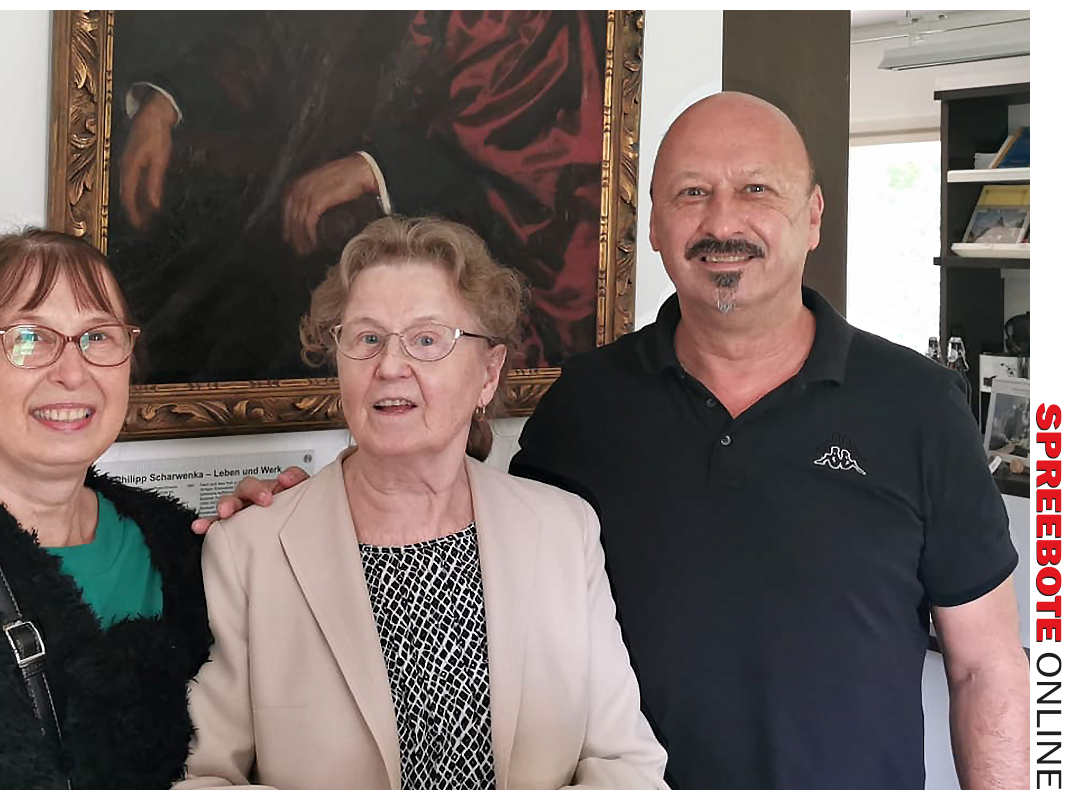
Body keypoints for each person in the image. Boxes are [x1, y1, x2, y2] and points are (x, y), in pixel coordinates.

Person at [208, 93, 1031, 789]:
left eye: (756, 190)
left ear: (812, 216)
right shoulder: (588, 404)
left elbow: (987, 668)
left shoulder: (918, 404)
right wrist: (295, 516)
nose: (722, 221)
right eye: (692, 194)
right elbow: (461, 505)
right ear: (654, 226)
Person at [177, 216, 666, 789]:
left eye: (427, 339)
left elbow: (627, 766)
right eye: (367, 339)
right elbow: (201, 779)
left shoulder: (564, 529)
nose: (389, 366)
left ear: (488, 373)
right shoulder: (248, 549)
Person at [113, 10, 605, 380]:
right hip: (292, 245)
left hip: (447, 259)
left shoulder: (520, 18)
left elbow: (524, 145)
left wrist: (377, 168)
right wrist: (167, 102)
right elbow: (276, 41)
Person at [0, 229, 211, 789]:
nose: (72, 372)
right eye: (30, 338)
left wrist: (277, 527)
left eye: (98, 337)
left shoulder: (191, 550)